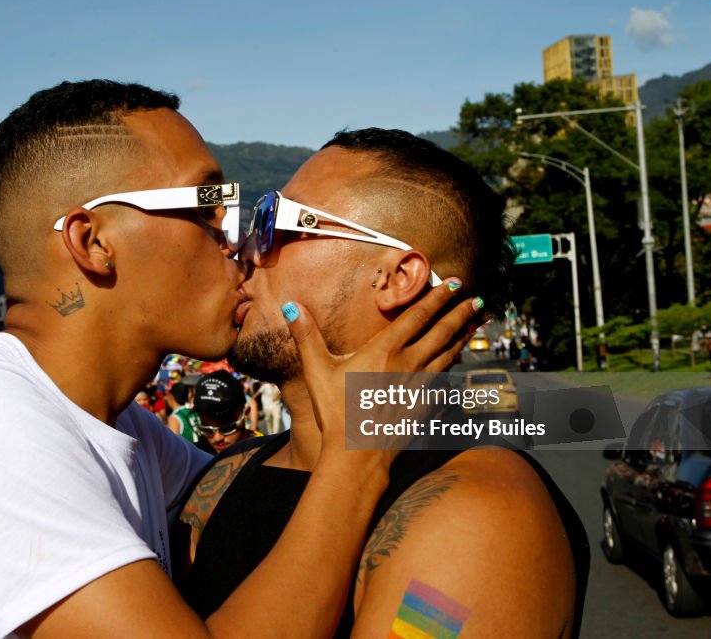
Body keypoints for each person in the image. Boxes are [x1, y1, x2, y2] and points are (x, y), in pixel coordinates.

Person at [0, 81, 482, 638]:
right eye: (207, 206)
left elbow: (253, 496)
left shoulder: (119, 429)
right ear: (93, 243)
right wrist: (356, 453)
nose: (238, 240)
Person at [180, 129, 589, 637]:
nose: (245, 249)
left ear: (396, 277)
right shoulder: (222, 479)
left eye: (275, 222)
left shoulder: (482, 516)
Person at [191, 371, 260, 455]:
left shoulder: (264, 451)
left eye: (227, 427)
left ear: (244, 412)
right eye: (207, 429)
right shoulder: (196, 455)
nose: (217, 438)